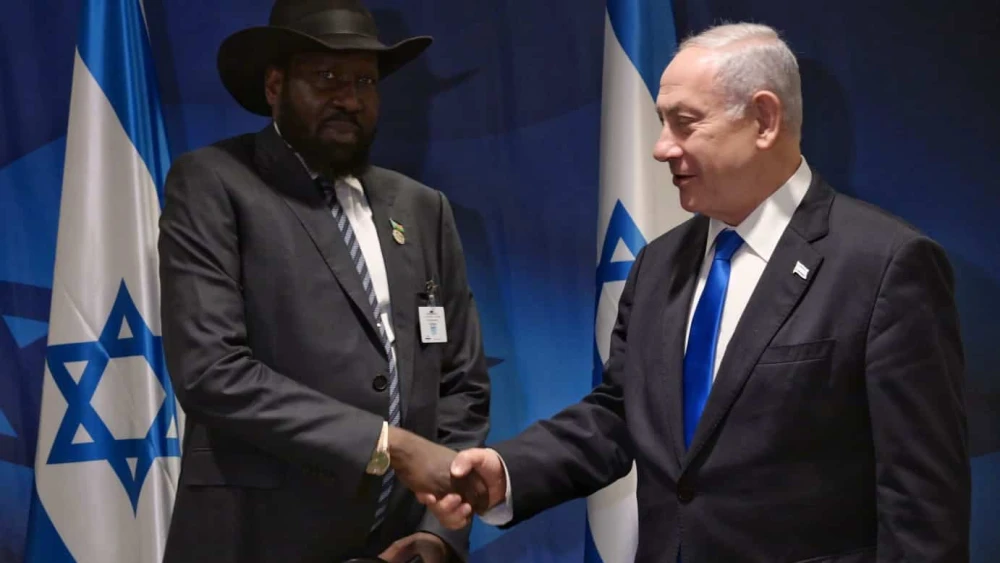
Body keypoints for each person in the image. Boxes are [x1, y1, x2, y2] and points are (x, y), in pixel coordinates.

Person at [421, 23, 971, 563]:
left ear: (764, 120)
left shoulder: (885, 265)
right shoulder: (658, 264)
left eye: (684, 123)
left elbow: (921, 503)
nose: (661, 148)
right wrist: (509, 472)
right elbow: (620, 413)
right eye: (662, 123)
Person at [157, 1, 490, 562]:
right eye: (327, 77)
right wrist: (388, 447)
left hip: (399, 546)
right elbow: (211, 371)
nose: (350, 99)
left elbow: (461, 382)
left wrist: (439, 528)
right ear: (274, 86)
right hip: (258, 540)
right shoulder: (214, 183)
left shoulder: (422, 207)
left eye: (365, 81)